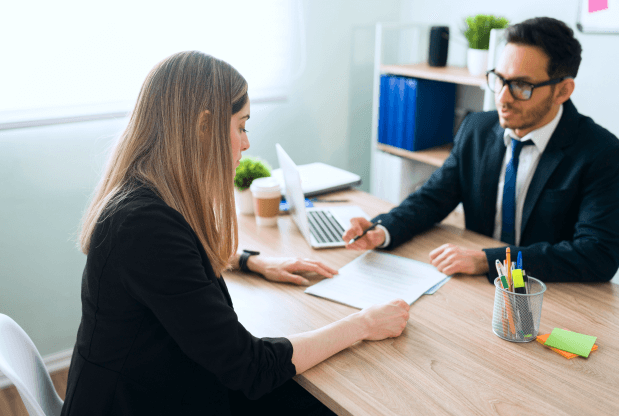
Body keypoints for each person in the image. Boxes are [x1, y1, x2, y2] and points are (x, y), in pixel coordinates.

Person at [61, 51, 410, 416]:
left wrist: (250, 261)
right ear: (203, 126)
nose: (245, 142)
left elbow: (178, 265)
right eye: (241, 126)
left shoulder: (144, 199)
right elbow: (251, 367)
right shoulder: (143, 227)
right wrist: (363, 323)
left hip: (156, 386)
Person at [344, 17, 619, 284]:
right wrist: (382, 231)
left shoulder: (601, 152)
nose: (502, 98)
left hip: (544, 292)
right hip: (473, 287)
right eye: (499, 79)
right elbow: (432, 199)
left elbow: (599, 254)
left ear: (563, 91)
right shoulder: (476, 128)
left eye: (521, 85)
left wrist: (488, 261)